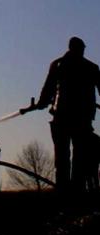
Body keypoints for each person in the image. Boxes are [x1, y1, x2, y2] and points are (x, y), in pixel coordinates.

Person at [22, 37, 100, 191]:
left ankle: (65, 191)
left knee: (64, 157)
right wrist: (43, 102)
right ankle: (75, 190)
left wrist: (42, 103)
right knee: (78, 156)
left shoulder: (58, 64)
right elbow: (49, 88)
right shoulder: (90, 67)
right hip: (79, 119)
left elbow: (48, 89)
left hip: (63, 118)